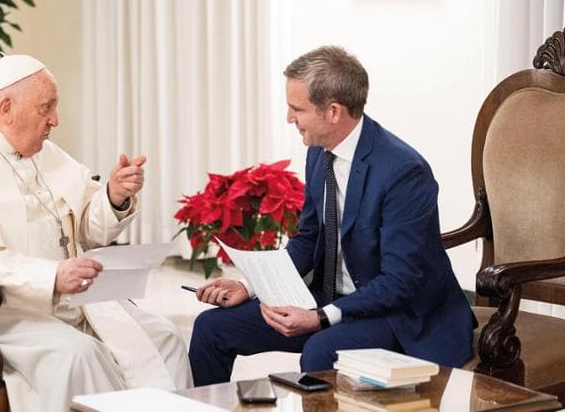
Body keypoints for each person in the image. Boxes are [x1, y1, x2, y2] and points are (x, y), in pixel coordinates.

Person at [0, 55, 192, 411]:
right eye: (46, 108)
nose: (55, 121)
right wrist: (50, 276)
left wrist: (113, 197)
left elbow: (85, 231)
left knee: (164, 337)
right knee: (79, 356)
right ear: (6, 107)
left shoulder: (44, 152)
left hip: (65, 300)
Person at [188, 46, 475, 386]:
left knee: (321, 350)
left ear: (334, 112)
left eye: (297, 109)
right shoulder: (319, 153)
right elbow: (307, 240)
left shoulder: (403, 171)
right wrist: (248, 286)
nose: (289, 119)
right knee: (211, 328)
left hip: (402, 316)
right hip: (332, 302)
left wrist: (320, 318)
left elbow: (401, 281)